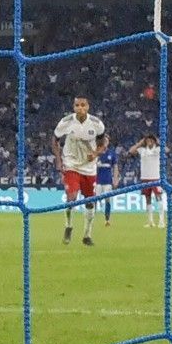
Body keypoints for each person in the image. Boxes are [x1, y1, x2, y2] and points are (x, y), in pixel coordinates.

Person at [53, 96, 106, 246]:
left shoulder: (97, 124)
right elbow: (54, 140)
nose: (80, 108)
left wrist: (95, 154)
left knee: (90, 202)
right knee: (72, 197)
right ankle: (68, 226)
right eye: (77, 105)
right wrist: (59, 159)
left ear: (88, 106)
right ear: (74, 107)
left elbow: (103, 143)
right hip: (71, 164)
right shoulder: (66, 122)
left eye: (83, 105)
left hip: (89, 168)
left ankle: (87, 235)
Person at [128, 133, 164, 228]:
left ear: (154, 141)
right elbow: (131, 151)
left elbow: (167, 150)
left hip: (155, 178)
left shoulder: (158, 149)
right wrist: (139, 143)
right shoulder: (142, 150)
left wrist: (159, 141)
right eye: (147, 140)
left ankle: (161, 220)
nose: (149, 142)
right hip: (145, 178)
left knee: (158, 198)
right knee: (148, 199)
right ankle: (150, 221)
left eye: (151, 140)